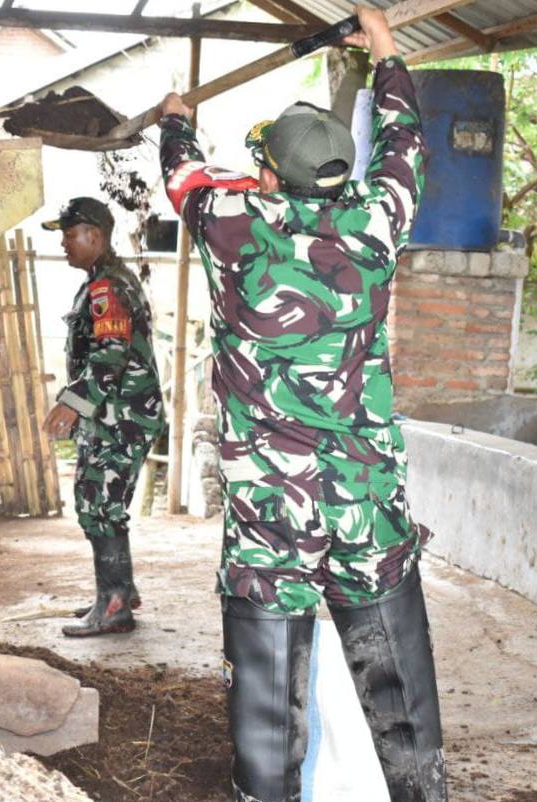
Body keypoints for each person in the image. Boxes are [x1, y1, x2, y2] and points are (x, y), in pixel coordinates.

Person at [156, 6, 446, 801]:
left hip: (270, 504)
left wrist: (176, 120)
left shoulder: (230, 224)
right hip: (365, 496)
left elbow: (182, 173)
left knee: (266, 697)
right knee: (398, 684)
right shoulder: (378, 220)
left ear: (270, 174)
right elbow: (405, 142)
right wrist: (386, 50)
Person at [40, 197, 165, 638]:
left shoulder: (106, 289)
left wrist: (71, 404)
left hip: (121, 417)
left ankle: (113, 606)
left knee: (97, 505)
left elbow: (109, 358)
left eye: (70, 234)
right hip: (122, 414)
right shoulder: (106, 281)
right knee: (105, 504)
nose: (64, 242)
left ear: (95, 235)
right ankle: (119, 592)